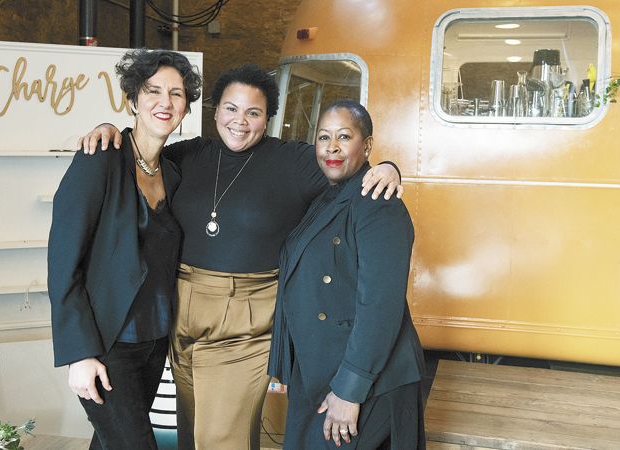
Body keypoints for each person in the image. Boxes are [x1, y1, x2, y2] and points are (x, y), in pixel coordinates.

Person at [79, 65, 403, 450]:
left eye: (254, 113)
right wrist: (109, 129)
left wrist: (389, 167)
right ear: (214, 112)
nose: (240, 121)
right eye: (231, 109)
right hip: (182, 315)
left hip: (245, 324)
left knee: (220, 439)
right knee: (193, 434)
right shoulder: (188, 155)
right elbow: (141, 150)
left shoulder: (294, 161)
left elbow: (346, 167)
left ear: (268, 119)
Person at [47, 49, 202, 450]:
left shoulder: (172, 170)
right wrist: (78, 354)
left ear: (186, 108)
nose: (164, 102)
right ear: (132, 100)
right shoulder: (99, 159)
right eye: (153, 91)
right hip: (107, 344)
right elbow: (64, 261)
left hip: (153, 344)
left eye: (177, 94)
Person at [268, 100, 426, 449]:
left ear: (367, 145)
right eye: (324, 137)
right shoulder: (326, 195)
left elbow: (380, 307)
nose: (332, 147)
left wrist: (349, 391)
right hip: (321, 368)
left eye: (344, 136)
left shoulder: (378, 202)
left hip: (366, 378)